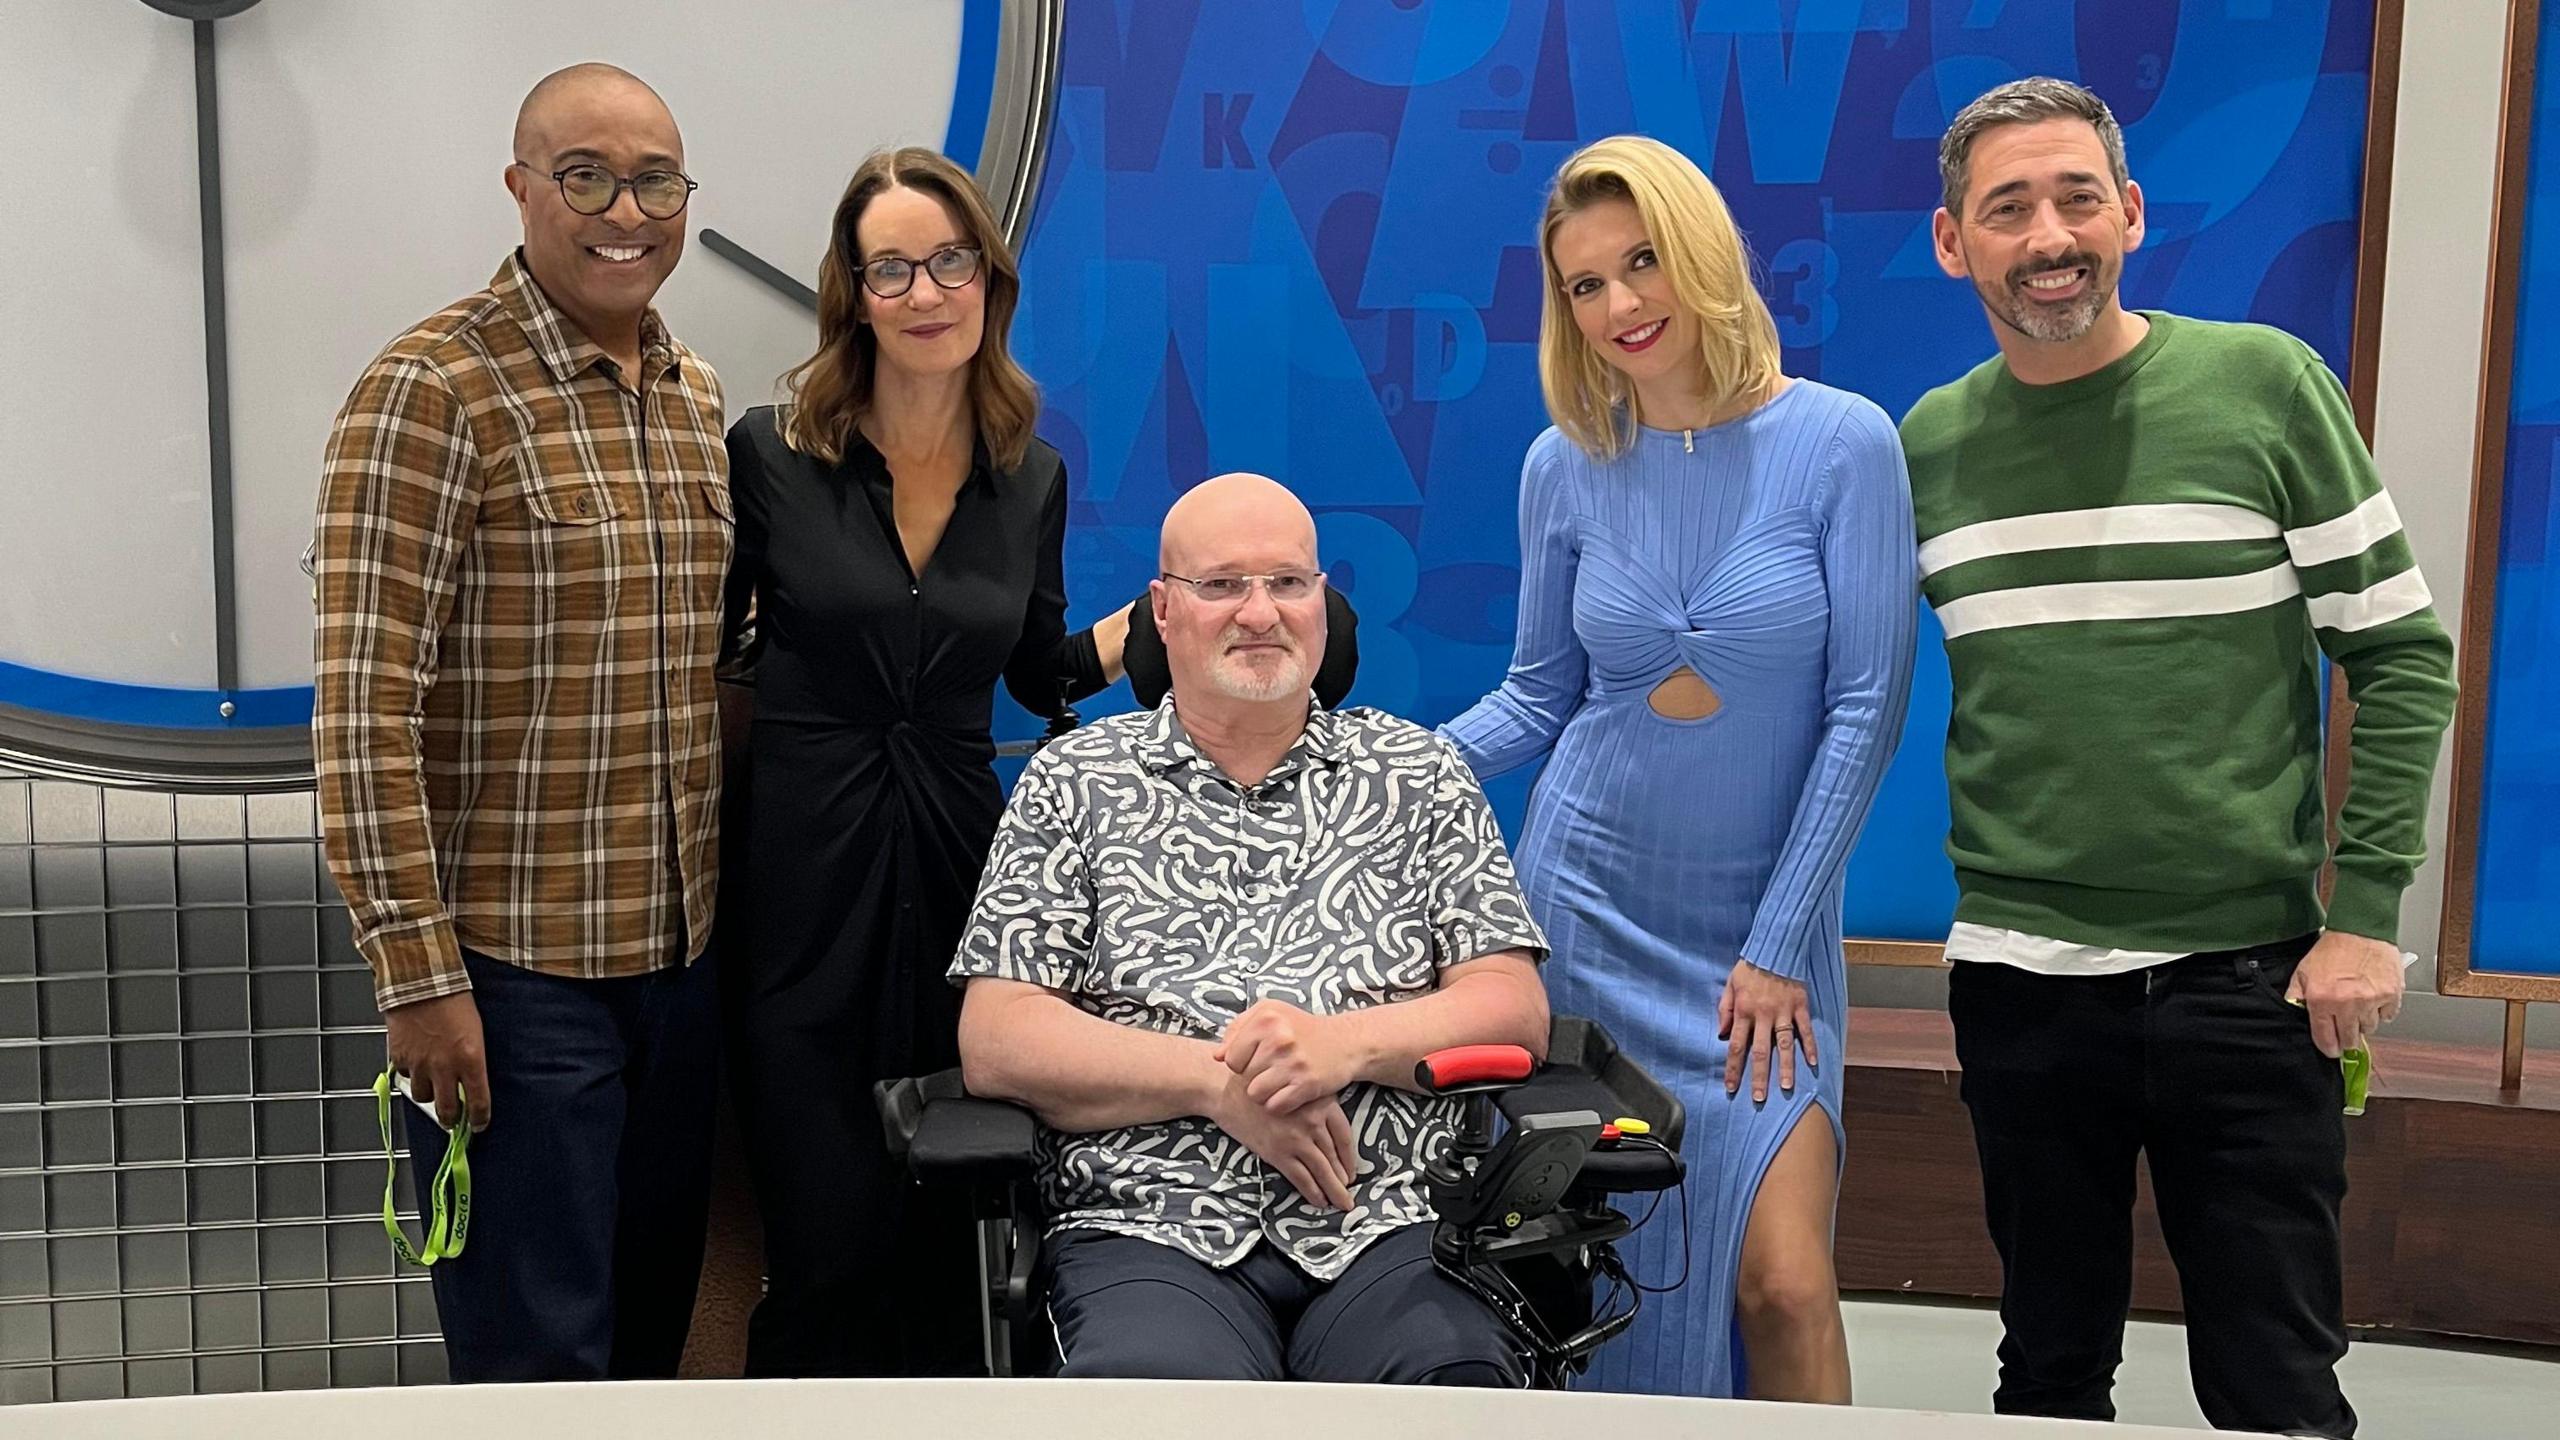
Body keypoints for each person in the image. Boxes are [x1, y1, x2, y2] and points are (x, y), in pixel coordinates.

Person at [1904, 78, 2457, 1438]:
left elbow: (2400, 653)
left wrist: (2368, 919)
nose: (2049, 236)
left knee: (2276, 1388)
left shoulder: (2263, 386)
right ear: (1949, 241)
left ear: (2132, 215)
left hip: (2254, 985)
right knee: (2045, 1380)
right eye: (2009, 207)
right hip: (2025, 989)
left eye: (2078, 197)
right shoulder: (1926, 447)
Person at [1439, 135, 1916, 1402]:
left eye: (1639, 262)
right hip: (1586, 914)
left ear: (1700, 253)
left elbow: (1864, 709)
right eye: (1584, 285)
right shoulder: (1564, 467)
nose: (1619, 306)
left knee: (1785, 1286)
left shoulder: (1843, 443)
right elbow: (1540, 695)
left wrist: (1774, 945)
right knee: (1587, 1283)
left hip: (1761, 953)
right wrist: (1385, 768)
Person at [947, 473, 1552, 1385]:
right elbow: (998, 1036)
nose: (1259, 613)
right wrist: (1216, 1085)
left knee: (1451, 1385)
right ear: (1161, 611)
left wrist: (1338, 1048)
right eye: (1221, 584)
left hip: (1391, 1216)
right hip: (1150, 1220)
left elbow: (1512, 1008)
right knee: (1157, 1401)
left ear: (1324, 605)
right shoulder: (1072, 783)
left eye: (1288, 583)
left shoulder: (1421, 775)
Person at [311, 64, 727, 1382]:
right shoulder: (432, 391)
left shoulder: (694, 399)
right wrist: (419, 982)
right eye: (586, 175)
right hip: (512, 981)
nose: (626, 210)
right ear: (521, 189)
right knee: (539, 1375)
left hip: (681, 965)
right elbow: (362, 719)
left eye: (655, 178)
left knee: (654, 1348)